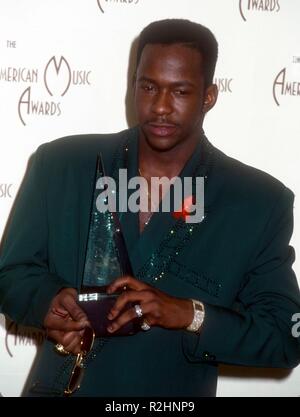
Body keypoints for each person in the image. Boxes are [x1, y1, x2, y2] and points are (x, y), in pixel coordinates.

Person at [0, 18, 300, 397]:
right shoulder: (61, 164)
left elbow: (284, 336)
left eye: (180, 92)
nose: (160, 107)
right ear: (133, 85)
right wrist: (47, 302)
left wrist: (189, 314)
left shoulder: (257, 202)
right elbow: (10, 275)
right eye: (148, 87)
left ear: (209, 96)